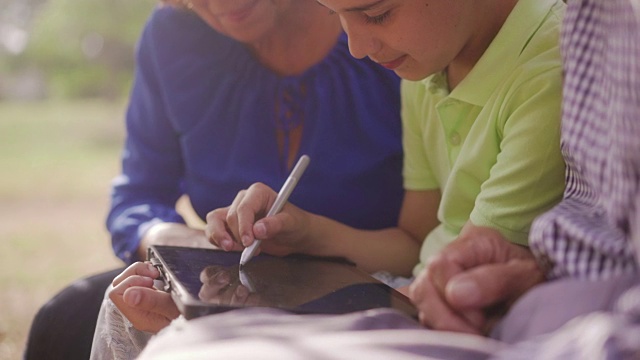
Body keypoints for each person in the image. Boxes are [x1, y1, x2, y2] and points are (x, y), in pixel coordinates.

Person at [112, 0, 640, 358]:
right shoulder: (426, 61)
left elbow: (453, 289)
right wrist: (305, 231)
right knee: (122, 316)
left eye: (375, 13)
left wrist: (250, 316)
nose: (358, 47)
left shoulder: (548, 72)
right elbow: (414, 243)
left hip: (444, 310)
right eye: (338, 15)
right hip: (407, 289)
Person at [24, 0, 407, 358]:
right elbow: (138, 195)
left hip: (366, 281)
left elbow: (430, 232)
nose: (222, 5)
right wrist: (178, 247)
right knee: (62, 322)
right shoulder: (173, 38)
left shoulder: (385, 28)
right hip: (229, 280)